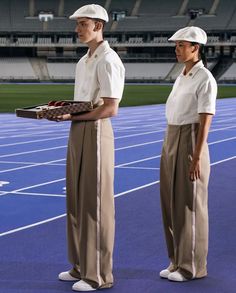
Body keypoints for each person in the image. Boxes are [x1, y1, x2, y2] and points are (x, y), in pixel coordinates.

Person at [52, 4, 125, 291]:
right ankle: (80, 265)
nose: (78, 29)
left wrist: (73, 115)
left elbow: (110, 108)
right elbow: (84, 101)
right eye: (78, 24)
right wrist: (59, 109)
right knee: (76, 201)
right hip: (78, 129)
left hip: (95, 132)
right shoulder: (84, 61)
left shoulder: (109, 60)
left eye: (83, 24)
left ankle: (98, 275)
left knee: (95, 204)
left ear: (99, 26)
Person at [159, 26, 217, 282]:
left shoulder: (205, 78)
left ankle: (192, 266)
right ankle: (176, 261)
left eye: (181, 45)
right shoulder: (182, 75)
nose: (177, 49)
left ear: (195, 47)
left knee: (189, 205)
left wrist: (196, 157)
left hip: (190, 138)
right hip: (171, 136)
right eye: (176, 45)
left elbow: (205, 121)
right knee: (171, 203)